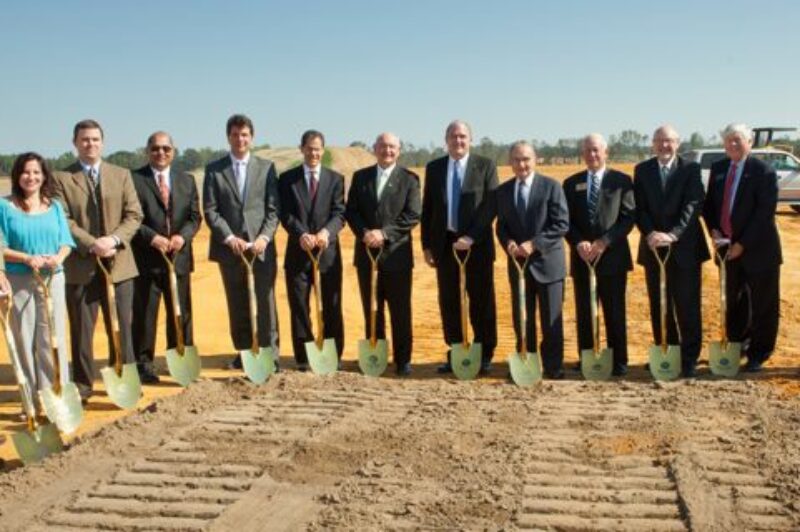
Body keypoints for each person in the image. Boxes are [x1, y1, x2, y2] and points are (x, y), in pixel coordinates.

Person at [52, 119, 143, 403]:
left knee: (122, 328)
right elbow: (62, 219)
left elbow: (134, 214)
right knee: (81, 331)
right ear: (75, 143)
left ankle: (124, 379)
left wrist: (113, 240)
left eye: (94, 139)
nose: (90, 144)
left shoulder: (121, 174)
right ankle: (82, 385)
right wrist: (93, 244)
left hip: (120, 266)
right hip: (82, 267)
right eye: (84, 140)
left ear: (102, 142)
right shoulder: (61, 178)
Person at [202, 114, 280, 370]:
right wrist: (229, 237)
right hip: (230, 249)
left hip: (261, 249)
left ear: (252, 137)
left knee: (265, 300)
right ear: (228, 137)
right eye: (235, 134)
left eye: (244, 134)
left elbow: (273, 209)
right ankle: (245, 352)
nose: (240, 139)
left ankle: (270, 353)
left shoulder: (267, 168)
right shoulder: (215, 170)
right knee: (237, 301)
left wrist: (264, 238)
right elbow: (211, 210)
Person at [421, 120, 499, 375]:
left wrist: (472, 237)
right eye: (454, 137)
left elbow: (490, 207)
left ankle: (484, 353)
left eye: (463, 136)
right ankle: (457, 351)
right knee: (450, 301)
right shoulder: (434, 168)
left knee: (481, 301)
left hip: (477, 246)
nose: (458, 141)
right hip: (445, 246)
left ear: (470, 140)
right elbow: (428, 209)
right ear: (446, 140)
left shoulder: (485, 166)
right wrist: (427, 245)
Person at [702, 123, 782, 373]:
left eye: (738, 140)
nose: (733, 145)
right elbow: (709, 206)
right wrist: (714, 230)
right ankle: (736, 346)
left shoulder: (764, 172)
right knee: (733, 303)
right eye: (728, 140)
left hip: (759, 251)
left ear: (750, 143)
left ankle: (759, 353)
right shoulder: (718, 169)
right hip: (726, 250)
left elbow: (764, 213)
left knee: (763, 304)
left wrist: (742, 244)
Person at [0, 152, 74, 413]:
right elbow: (0, 246)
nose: (30, 177)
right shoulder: (4, 206)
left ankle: (55, 396)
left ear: (44, 176)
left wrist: (57, 257)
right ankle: (31, 402)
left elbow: (66, 242)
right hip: (18, 279)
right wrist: (26, 258)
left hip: (53, 278)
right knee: (24, 339)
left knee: (52, 339)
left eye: (36, 172)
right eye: (25, 172)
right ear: (17, 176)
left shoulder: (54, 206)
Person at [634, 125, 709, 378]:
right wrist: (651, 234)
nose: (664, 146)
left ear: (678, 143)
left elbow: (693, 204)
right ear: (653, 144)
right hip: (654, 248)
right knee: (660, 303)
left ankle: (688, 358)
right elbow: (639, 208)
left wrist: (673, 234)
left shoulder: (690, 168)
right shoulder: (642, 170)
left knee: (687, 305)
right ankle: (666, 350)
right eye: (659, 141)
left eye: (669, 141)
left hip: (685, 247)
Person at [346, 132, 421, 376]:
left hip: (397, 257)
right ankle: (375, 357)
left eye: (392, 147)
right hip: (367, 255)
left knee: (400, 311)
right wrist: (365, 232)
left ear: (399, 151)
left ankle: (403, 360)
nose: (387, 151)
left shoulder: (409, 179)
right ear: (375, 148)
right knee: (372, 309)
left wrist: (384, 234)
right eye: (382, 146)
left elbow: (412, 215)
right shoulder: (361, 177)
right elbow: (352, 212)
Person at [131, 132, 201, 383]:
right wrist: (152, 237)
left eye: (166, 149)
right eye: (155, 149)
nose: (161, 153)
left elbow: (195, 217)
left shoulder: (187, 180)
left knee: (180, 312)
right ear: (147, 151)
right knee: (145, 315)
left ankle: (181, 357)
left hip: (178, 258)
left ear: (174, 151)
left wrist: (182, 237)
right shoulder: (134, 179)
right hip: (147, 258)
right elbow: (131, 218)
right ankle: (143, 364)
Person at [495, 141, 569, 379]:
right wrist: (508, 243)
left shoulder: (551, 186)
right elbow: (501, 227)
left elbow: (561, 224)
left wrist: (534, 244)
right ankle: (526, 362)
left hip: (549, 264)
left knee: (551, 321)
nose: (521, 164)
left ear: (535, 160)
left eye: (526, 159)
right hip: (518, 266)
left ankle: (553, 366)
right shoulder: (504, 191)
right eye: (516, 159)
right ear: (510, 163)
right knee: (522, 318)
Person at [563, 133, 635, 376]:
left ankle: (618, 361)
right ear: (582, 154)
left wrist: (605, 242)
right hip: (583, 259)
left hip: (612, 259)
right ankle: (588, 357)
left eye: (596, 150)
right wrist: (578, 242)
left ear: (606, 152)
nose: (592, 155)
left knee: (614, 312)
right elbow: (565, 221)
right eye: (587, 151)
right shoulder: (571, 183)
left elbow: (628, 218)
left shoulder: (622, 181)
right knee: (585, 311)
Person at [279, 130, 345, 370]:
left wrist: (326, 233)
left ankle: (332, 354)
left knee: (331, 305)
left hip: (328, 255)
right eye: (309, 148)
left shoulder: (336, 179)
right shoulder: (287, 179)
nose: (314, 153)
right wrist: (301, 234)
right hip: (298, 253)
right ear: (302, 149)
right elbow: (284, 213)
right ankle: (304, 357)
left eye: (318, 149)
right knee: (299, 306)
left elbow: (339, 213)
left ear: (323, 151)